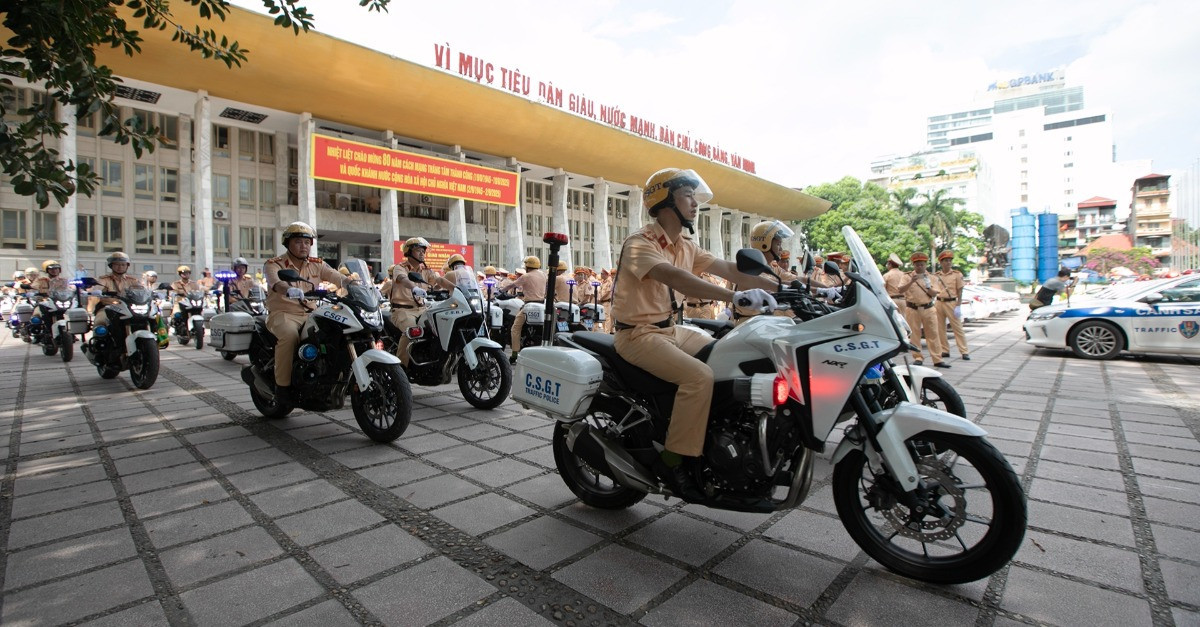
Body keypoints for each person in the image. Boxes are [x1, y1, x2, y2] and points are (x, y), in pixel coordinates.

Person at [611, 167, 778, 502]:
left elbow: (730, 269)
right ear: (664, 200)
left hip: (670, 330)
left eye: (694, 195)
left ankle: (717, 436)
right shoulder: (640, 243)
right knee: (699, 378)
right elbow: (674, 277)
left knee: (727, 352)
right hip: (637, 336)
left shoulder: (687, 245)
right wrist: (734, 297)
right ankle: (674, 462)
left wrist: (784, 286)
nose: (695, 203)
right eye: (687, 195)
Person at [264, 222, 353, 404]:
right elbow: (276, 282)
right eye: (298, 242)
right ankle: (282, 388)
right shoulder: (274, 264)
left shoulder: (317, 264)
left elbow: (336, 276)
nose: (303, 246)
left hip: (311, 314)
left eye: (307, 242)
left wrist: (355, 285)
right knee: (289, 336)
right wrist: (287, 289)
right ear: (288, 243)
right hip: (284, 313)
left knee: (337, 332)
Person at [387, 237, 453, 365]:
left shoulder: (425, 270)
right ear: (409, 252)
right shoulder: (400, 268)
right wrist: (414, 288)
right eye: (418, 250)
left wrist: (457, 289)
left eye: (424, 251)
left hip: (422, 309)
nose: (422, 253)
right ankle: (401, 368)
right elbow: (403, 279)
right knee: (411, 331)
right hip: (402, 310)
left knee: (442, 323)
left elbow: (439, 280)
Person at [900, 252, 948, 368]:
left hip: (928, 308)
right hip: (912, 308)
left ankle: (937, 359)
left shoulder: (932, 278)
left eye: (922, 264)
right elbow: (900, 290)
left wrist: (928, 286)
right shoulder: (906, 276)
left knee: (933, 334)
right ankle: (918, 357)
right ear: (913, 265)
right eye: (917, 264)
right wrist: (911, 281)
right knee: (915, 334)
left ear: (925, 265)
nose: (919, 267)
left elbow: (933, 294)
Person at [504, 255, 548, 358]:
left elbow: (512, 285)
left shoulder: (526, 276)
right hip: (542, 304)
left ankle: (514, 354)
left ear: (527, 266)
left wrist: (501, 290)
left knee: (515, 328)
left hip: (529, 305)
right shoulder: (543, 275)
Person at [934, 250, 970, 361]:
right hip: (939, 302)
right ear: (941, 262)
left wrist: (958, 305)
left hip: (951, 302)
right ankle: (945, 350)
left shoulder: (957, 275)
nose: (948, 263)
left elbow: (960, 292)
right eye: (945, 261)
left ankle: (964, 351)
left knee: (957, 328)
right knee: (940, 328)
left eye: (949, 260)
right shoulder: (937, 275)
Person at [91, 252, 142, 330]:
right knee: (100, 322)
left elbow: (142, 291)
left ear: (127, 266)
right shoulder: (104, 279)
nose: (120, 267)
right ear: (111, 265)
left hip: (129, 307)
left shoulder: (133, 281)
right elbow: (98, 287)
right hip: (109, 307)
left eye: (123, 264)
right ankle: (98, 341)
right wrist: (97, 291)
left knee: (153, 318)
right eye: (117, 264)